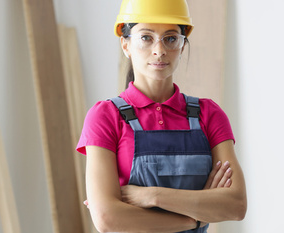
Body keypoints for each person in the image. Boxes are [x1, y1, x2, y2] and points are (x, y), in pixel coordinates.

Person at [75, 0, 247, 232]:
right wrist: (194, 219)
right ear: (125, 44)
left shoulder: (209, 115)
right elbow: (107, 218)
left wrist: (153, 196)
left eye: (171, 38)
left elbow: (236, 205)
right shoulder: (105, 116)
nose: (159, 50)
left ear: (183, 45)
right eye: (146, 37)